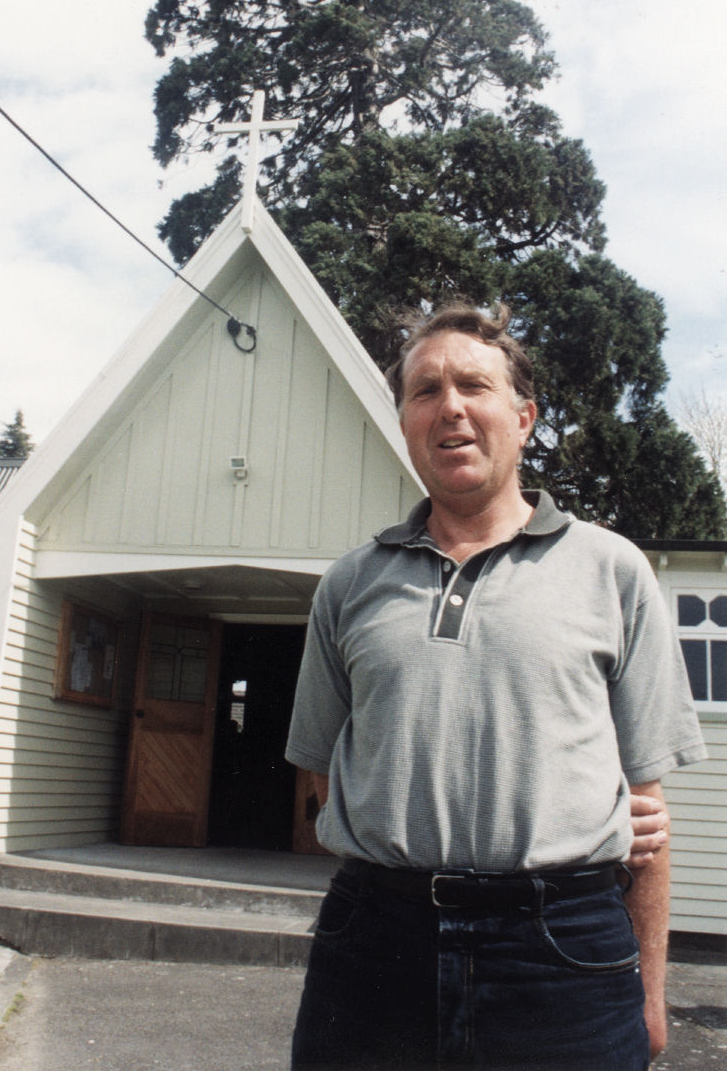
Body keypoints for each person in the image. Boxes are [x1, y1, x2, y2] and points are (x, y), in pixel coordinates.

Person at [285, 302, 706, 1070]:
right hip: (374, 946)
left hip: (564, 957)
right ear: (406, 421)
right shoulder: (349, 585)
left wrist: (649, 991)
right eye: (425, 391)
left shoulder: (613, 571)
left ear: (524, 416)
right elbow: (319, 769)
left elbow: (647, 809)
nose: (449, 407)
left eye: (474, 385)